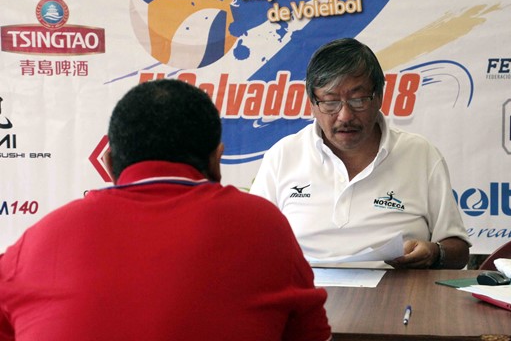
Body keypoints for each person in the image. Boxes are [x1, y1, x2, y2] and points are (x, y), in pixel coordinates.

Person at [0, 79, 331, 341]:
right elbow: (311, 334)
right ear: (217, 160)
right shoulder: (263, 225)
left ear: (110, 163)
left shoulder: (38, 241)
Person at [250, 38, 470, 269]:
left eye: (358, 100)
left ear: (379, 97)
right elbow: (252, 241)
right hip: (304, 288)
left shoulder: (421, 155)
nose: (345, 116)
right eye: (330, 102)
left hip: (394, 288)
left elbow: (458, 251)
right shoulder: (283, 156)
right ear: (312, 104)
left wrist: (435, 252)